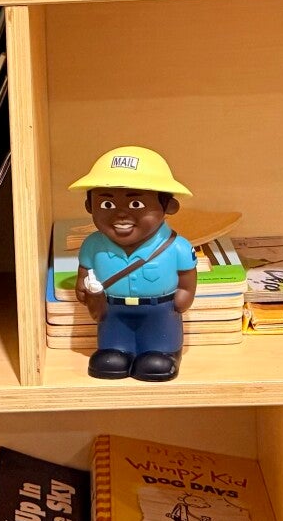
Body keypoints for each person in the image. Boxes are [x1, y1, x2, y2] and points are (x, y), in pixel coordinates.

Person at [70, 146, 197, 383]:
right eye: (106, 205)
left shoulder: (177, 247)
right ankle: (116, 350)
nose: (121, 215)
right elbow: (85, 271)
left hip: (160, 310)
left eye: (136, 204)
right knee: (111, 355)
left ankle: (162, 352)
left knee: (157, 357)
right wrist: (84, 288)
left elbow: (187, 277)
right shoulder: (93, 244)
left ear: (168, 206)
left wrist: (184, 296)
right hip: (113, 309)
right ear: (89, 206)